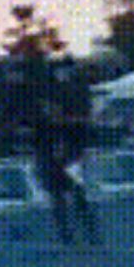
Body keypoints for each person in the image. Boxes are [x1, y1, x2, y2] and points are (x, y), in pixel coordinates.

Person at [32, 97, 101, 247]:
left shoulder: (70, 127)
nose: (51, 112)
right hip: (52, 167)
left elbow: (80, 145)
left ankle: (90, 232)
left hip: (70, 165)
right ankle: (65, 235)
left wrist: (75, 157)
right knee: (58, 202)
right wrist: (42, 167)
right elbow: (39, 150)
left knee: (80, 199)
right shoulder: (43, 129)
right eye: (48, 110)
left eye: (53, 109)